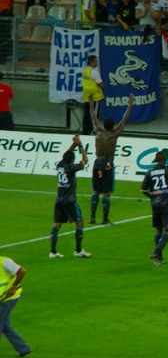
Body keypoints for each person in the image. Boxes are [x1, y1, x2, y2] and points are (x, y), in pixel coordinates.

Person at [88, 94, 135, 225]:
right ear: (113, 125)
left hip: (97, 162)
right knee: (106, 193)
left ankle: (92, 217)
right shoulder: (115, 134)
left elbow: (93, 117)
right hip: (108, 163)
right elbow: (124, 119)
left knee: (96, 191)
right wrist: (130, 104)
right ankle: (104, 219)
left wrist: (91, 103)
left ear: (104, 125)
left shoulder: (98, 131)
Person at [140, 150, 168, 266]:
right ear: (165, 160)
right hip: (167, 204)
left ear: (156, 160)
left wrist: (152, 196)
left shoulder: (149, 172)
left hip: (155, 204)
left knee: (159, 230)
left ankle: (159, 257)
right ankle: (156, 252)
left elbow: (143, 190)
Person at [50, 135, 92, 258]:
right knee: (80, 223)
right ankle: (78, 251)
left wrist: (74, 143)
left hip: (59, 200)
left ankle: (53, 252)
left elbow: (67, 154)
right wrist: (80, 145)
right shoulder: (72, 168)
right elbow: (85, 160)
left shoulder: (60, 165)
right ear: (72, 160)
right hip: (69, 201)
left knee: (57, 224)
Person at [0, 256, 31, 358]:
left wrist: (13, 287)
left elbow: (22, 271)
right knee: (5, 326)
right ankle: (23, 348)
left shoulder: (4, 262)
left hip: (9, 298)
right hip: (2, 298)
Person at [82, 55, 104, 135]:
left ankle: (86, 131)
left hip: (87, 96)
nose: (97, 62)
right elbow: (101, 84)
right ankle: (93, 131)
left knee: (87, 115)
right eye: (96, 61)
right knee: (94, 115)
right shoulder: (94, 73)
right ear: (91, 62)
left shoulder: (85, 71)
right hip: (95, 97)